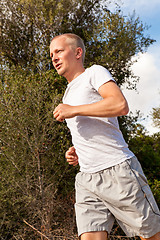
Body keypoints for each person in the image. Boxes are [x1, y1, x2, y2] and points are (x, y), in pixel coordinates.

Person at [50, 33, 160, 240]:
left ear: (77, 52)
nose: (53, 57)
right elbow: (94, 128)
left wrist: (73, 110)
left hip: (117, 170)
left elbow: (119, 105)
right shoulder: (68, 92)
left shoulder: (94, 73)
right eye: (51, 54)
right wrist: (77, 151)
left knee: (151, 236)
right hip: (87, 178)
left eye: (59, 51)